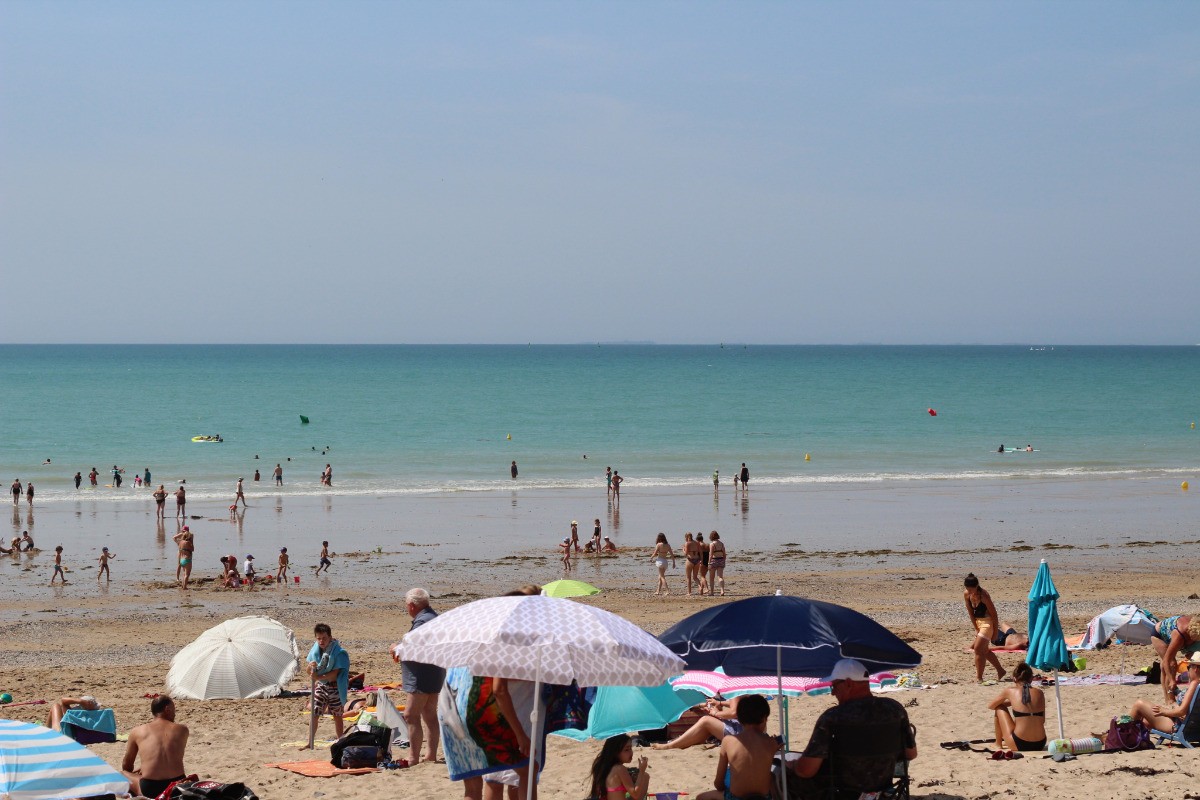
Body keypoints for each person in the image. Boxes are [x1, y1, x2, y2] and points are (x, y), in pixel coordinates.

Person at [788, 659, 917, 800]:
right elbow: (910, 754)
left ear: (848, 683)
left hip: (839, 793)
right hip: (880, 791)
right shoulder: (895, 709)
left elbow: (806, 771)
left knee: (785, 778)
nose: (833, 693)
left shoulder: (833, 717)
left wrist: (794, 765)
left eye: (834, 686)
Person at [394, 588, 446, 765]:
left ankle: (414, 757)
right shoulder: (433, 617)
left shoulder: (424, 621)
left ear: (411, 605)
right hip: (434, 672)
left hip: (423, 675)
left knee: (411, 715)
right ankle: (430, 754)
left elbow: (412, 646)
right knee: (429, 713)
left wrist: (395, 648)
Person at [696, 694, 776, 800]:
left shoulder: (728, 741)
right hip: (763, 798)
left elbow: (718, 784)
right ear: (765, 719)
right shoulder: (771, 743)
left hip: (736, 798)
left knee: (701, 797)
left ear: (740, 719)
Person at [121, 695, 189, 799]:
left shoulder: (137, 731)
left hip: (150, 788)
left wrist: (144, 769)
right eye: (174, 710)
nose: (175, 714)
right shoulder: (182, 730)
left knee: (123, 774)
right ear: (168, 709)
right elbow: (170, 757)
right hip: (177, 786)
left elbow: (127, 765)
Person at [1131, 660, 1200, 741]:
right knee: (1145, 721)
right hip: (1195, 729)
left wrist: (1164, 711)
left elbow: (1181, 712)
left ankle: (1124, 736)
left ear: (1196, 669)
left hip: (1180, 727)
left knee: (1139, 704)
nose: (1188, 670)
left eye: (1189, 667)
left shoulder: (1195, 684)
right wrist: (1173, 692)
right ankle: (1135, 738)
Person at [305, 623, 350, 743]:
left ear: (330, 637)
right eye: (318, 638)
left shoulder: (338, 652)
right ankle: (310, 742)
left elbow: (335, 673)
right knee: (315, 712)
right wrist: (311, 667)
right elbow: (308, 671)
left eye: (324, 638)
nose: (321, 641)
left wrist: (318, 676)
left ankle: (341, 740)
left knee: (337, 715)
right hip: (322, 685)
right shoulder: (315, 651)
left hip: (335, 686)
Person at [988, 662, 1046, 752]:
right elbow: (1042, 720)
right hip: (1040, 743)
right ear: (1031, 679)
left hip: (1019, 743)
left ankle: (998, 743)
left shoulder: (1010, 691)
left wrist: (1011, 702)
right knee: (1025, 716)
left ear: (1014, 679)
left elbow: (991, 706)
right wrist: (1015, 703)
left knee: (999, 708)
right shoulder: (1040, 693)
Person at [653, 696, 745, 751]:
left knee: (706, 720)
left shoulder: (734, 687)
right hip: (749, 730)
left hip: (740, 733)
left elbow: (734, 712)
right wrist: (720, 703)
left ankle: (671, 745)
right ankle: (684, 741)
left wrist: (716, 713)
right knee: (708, 725)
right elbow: (738, 703)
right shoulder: (740, 685)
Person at [963, 574, 1008, 682]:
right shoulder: (966, 594)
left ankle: (979, 677)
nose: (969, 591)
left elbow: (994, 615)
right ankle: (1001, 670)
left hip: (988, 623)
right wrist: (976, 628)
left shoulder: (984, 596)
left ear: (977, 586)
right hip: (979, 623)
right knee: (984, 650)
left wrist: (996, 631)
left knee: (978, 649)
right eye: (967, 589)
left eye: (971, 589)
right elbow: (970, 613)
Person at [1152, 615, 1200, 702]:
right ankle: (1170, 699)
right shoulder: (1179, 635)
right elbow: (1167, 660)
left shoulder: (1196, 627)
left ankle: (1195, 690)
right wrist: (1172, 680)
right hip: (1160, 635)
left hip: (1187, 636)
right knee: (1171, 665)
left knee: (1196, 660)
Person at [589, 734, 651, 800]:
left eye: (631, 748)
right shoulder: (620, 769)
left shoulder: (603, 766)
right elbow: (635, 794)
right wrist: (642, 771)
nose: (631, 752)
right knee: (645, 776)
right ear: (615, 752)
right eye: (626, 750)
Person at [708, 531, 727, 596]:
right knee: (720, 576)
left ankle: (712, 592)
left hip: (714, 560)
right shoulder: (721, 544)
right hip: (721, 559)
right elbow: (724, 554)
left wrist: (709, 562)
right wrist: (724, 560)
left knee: (711, 578)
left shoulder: (712, 544)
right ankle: (722, 590)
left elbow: (710, 554)